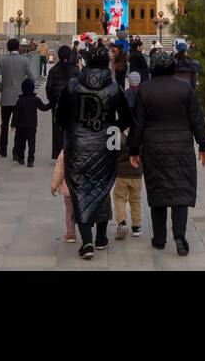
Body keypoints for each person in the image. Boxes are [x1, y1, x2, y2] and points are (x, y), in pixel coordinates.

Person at [129, 46, 205, 256]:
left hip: (154, 147)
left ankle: (159, 238)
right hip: (181, 146)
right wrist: (203, 144)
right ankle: (179, 234)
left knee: (158, 191)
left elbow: (138, 123)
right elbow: (196, 118)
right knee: (180, 191)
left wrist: (133, 149)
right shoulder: (185, 89)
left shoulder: (145, 90)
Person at [57, 44, 132, 260]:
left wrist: (73, 129)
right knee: (102, 186)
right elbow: (127, 117)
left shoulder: (73, 86)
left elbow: (61, 117)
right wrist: (112, 128)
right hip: (106, 142)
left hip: (78, 142)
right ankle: (101, 237)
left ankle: (87, 241)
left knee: (79, 190)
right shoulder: (114, 88)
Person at [0, 37, 37, 158]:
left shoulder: (2, 60)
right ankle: (16, 151)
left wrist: (2, 88)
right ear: (19, 47)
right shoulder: (25, 61)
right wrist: (24, 89)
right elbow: (32, 78)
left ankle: (3, 149)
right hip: (19, 99)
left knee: (4, 124)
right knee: (19, 126)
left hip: (6, 97)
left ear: (8, 48)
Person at [113, 71, 144, 240]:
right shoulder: (141, 134)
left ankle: (121, 221)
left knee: (119, 198)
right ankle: (137, 226)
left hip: (121, 173)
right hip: (137, 173)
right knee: (136, 200)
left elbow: (112, 150)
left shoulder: (118, 133)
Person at [45, 44, 77, 160]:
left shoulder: (53, 70)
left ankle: (58, 154)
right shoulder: (75, 70)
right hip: (72, 104)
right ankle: (70, 152)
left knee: (57, 129)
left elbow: (49, 87)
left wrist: (52, 101)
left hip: (57, 104)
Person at [11, 77, 51, 166]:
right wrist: (51, 104)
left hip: (21, 127)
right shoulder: (35, 99)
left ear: (22, 88)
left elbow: (16, 114)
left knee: (21, 144)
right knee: (32, 144)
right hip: (32, 127)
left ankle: (21, 158)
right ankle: (30, 160)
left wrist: (13, 124)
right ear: (33, 88)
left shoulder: (20, 101)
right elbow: (43, 108)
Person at [51, 148, 77, 244]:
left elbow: (59, 171)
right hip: (82, 189)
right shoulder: (85, 147)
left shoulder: (65, 152)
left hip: (68, 188)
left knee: (69, 211)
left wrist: (54, 185)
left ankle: (70, 233)